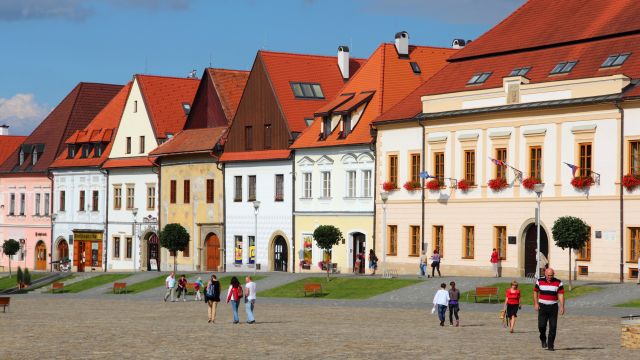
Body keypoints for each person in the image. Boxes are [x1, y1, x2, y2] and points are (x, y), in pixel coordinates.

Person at [533, 268, 565, 351]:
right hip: (542, 306)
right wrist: (536, 303)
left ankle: (551, 345)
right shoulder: (539, 281)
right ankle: (543, 338)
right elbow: (535, 292)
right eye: (548, 275)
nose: (550, 277)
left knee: (553, 327)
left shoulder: (558, 282)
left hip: (553, 306)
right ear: (545, 274)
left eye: (551, 275)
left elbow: (561, 295)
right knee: (541, 326)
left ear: (554, 274)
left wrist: (562, 306)